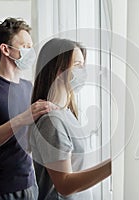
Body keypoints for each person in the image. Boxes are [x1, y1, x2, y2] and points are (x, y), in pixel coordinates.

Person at [0, 18, 57, 199]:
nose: (30, 52)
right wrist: (24, 118)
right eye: (25, 46)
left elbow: (28, 139)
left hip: (29, 183)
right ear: (6, 49)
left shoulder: (28, 86)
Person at [29, 38, 112, 200]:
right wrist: (113, 165)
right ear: (59, 71)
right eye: (78, 65)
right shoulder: (51, 121)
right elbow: (64, 185)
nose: (84, 72)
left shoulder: (67, 113)